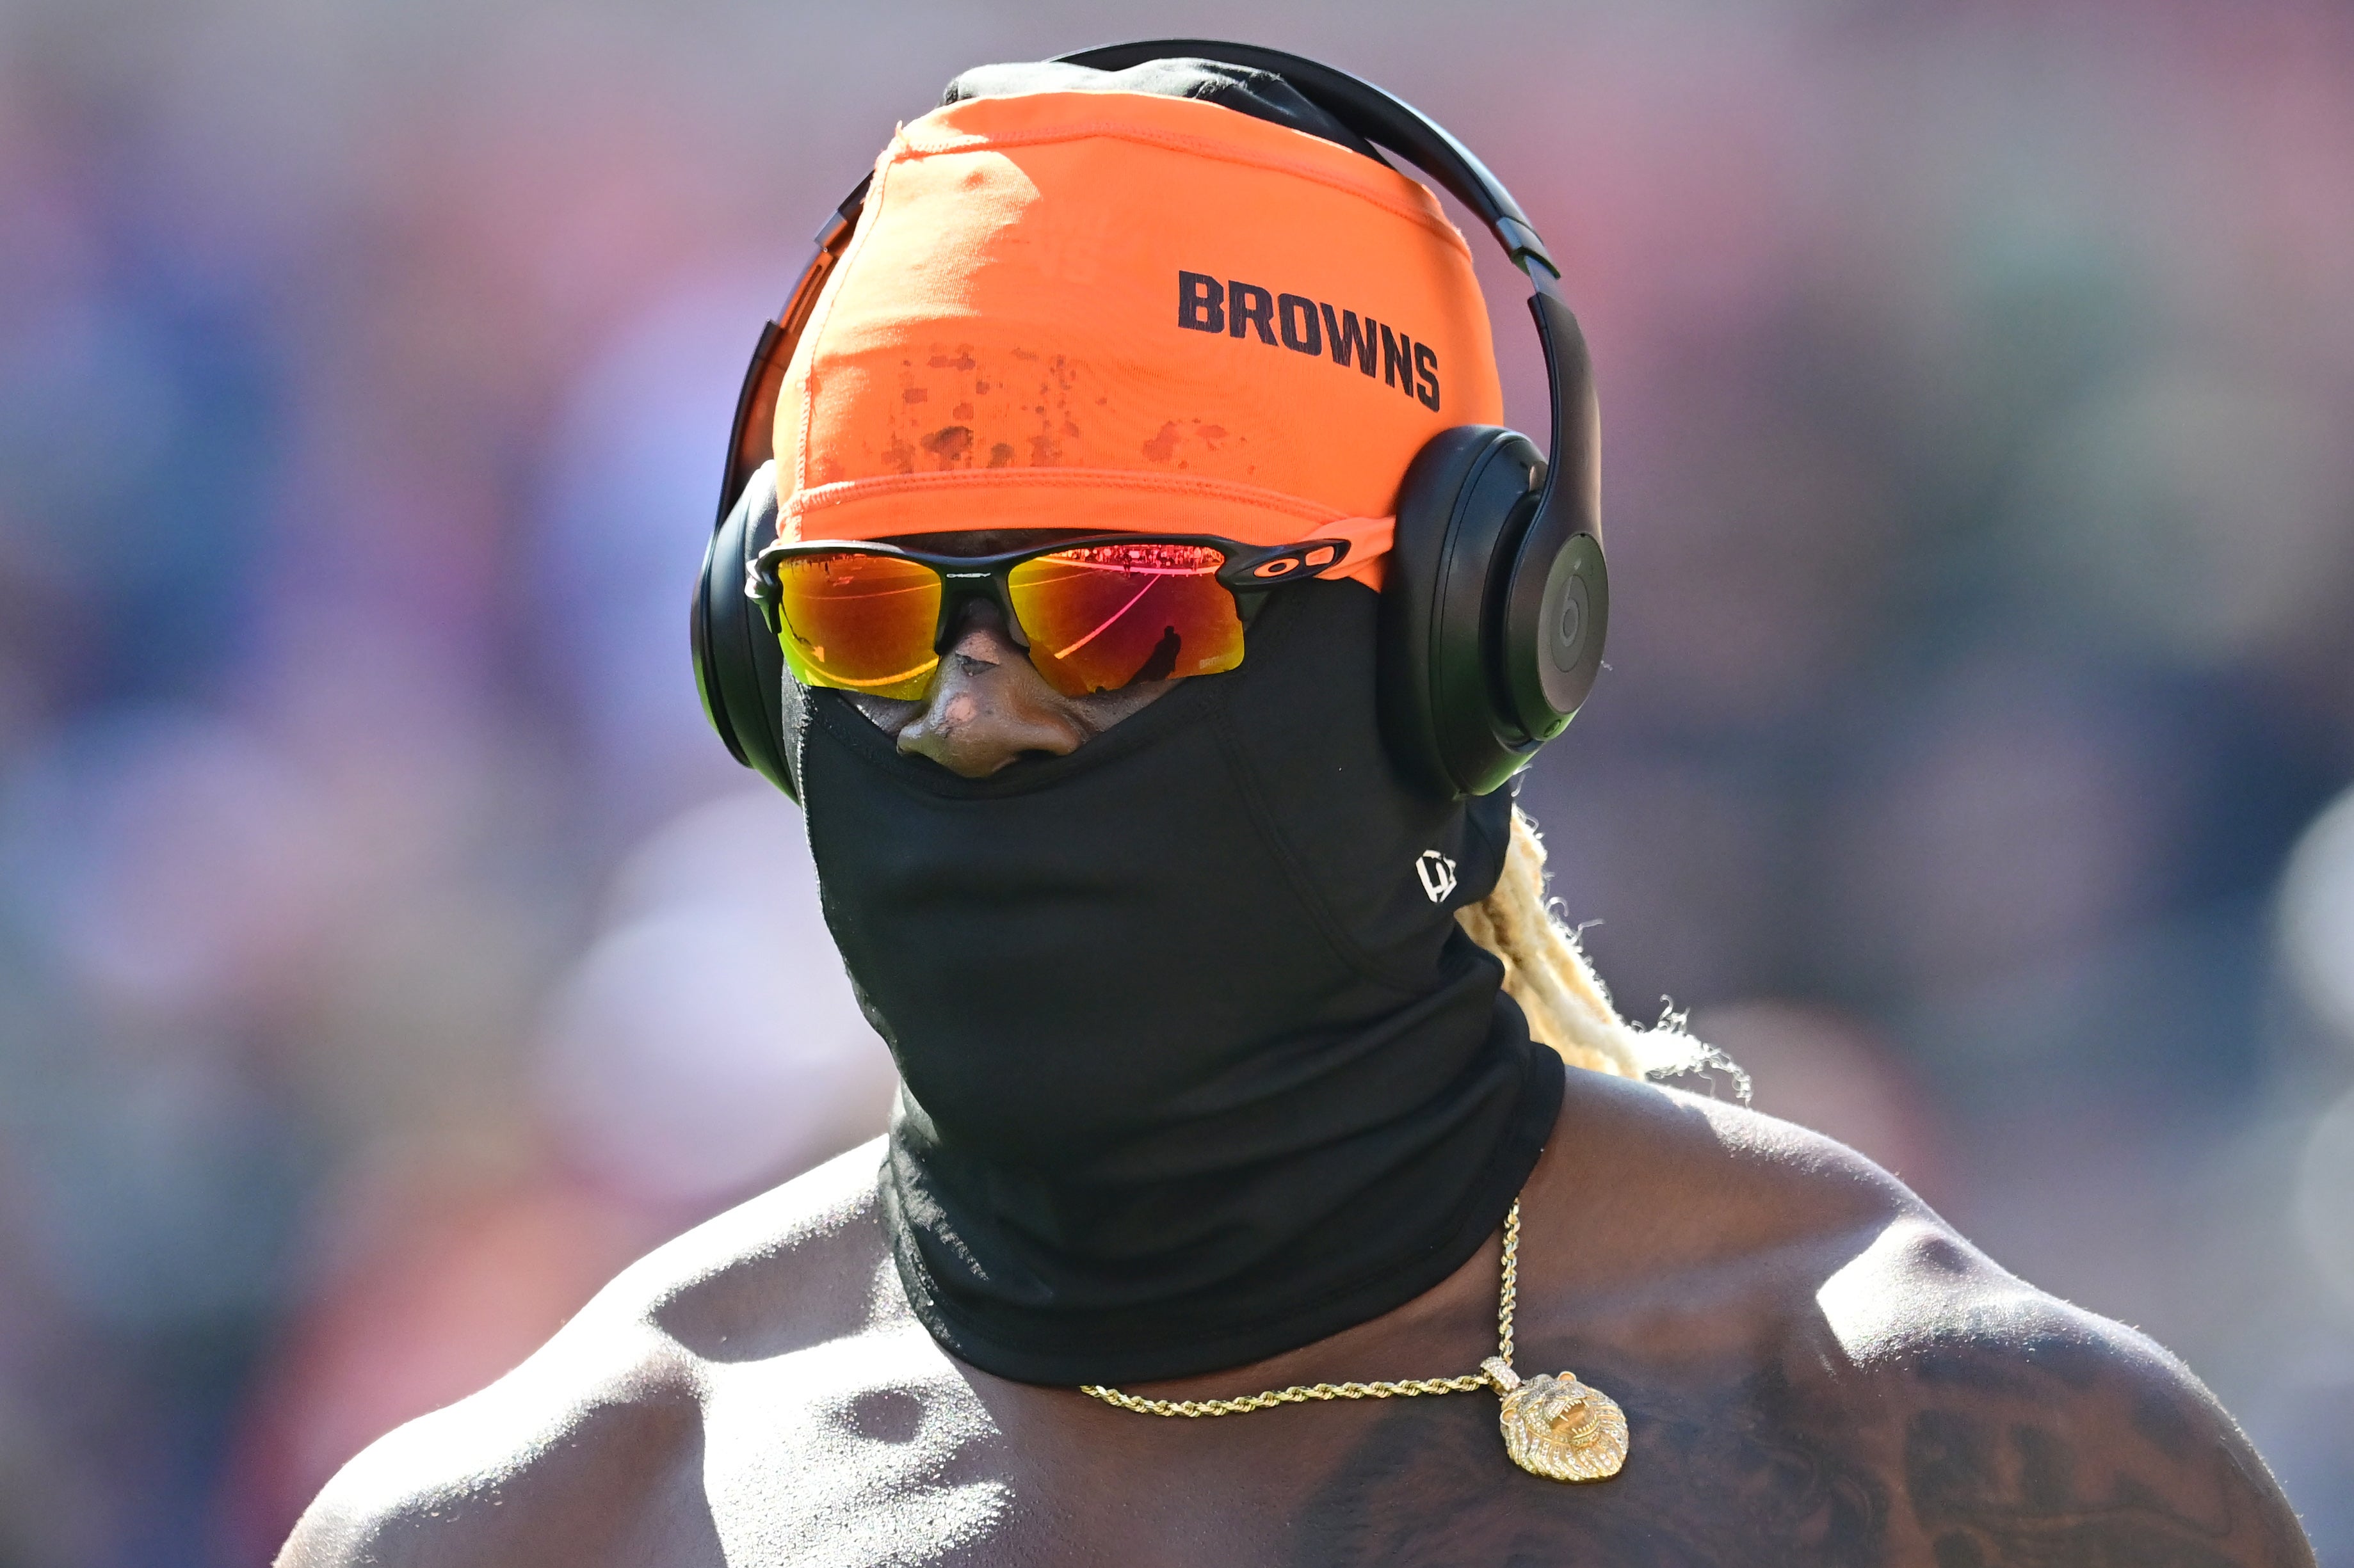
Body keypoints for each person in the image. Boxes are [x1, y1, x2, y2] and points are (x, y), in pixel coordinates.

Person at [279, 49, 2314, 1567]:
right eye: (872, 614)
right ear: (754, 660)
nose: (974, 714)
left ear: (1457, 656)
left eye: (1120, 608)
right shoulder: (539, 1514)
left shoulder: (1944, 1454)